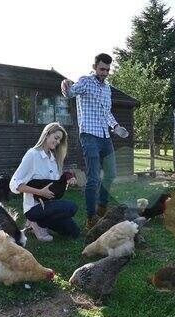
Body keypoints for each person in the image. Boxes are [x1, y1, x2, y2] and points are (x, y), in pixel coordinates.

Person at [61, 53, 129, 230]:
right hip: (89, 135)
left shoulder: (107, 89)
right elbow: (70, 92)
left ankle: (102, 206)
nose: (105, 72)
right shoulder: (85, 81)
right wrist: (65, 84)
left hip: (105, 137)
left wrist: (116, 126)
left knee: (111, 173)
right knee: (93, 178)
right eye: (101, 69)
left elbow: (107, 113)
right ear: (94, 67)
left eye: (107, 70)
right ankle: (91, 217)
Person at [9, 122, 80, 241]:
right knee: (71, 207)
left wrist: (69, 177)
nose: (57, 142)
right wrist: (40, 192)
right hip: (34, 208)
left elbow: (57, 182)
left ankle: (38, 223)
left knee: (74, 232)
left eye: (59, 140)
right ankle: (34, 221)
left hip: (49, 206)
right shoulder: (32, 154)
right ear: (46, 135)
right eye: (56, 138)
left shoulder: (53, 158)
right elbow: (13, 183)